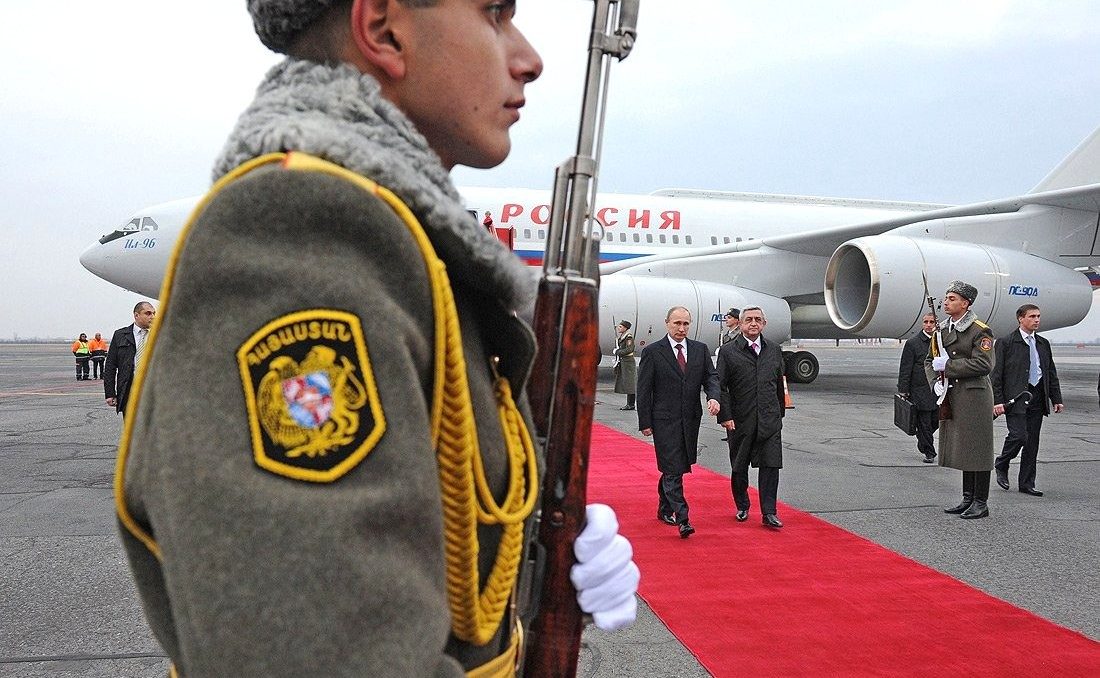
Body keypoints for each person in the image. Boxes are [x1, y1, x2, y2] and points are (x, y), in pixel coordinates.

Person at [112, 2, 637, 675]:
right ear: (384, 30)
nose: (529, 59)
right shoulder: (303, 228)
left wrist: (532, 575)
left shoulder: (400, 242)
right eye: (494, 14)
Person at [636, 306, 721, 538]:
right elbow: (644, 390)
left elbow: (711, 378)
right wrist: (645, 421)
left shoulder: (700, 350)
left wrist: (713, 397)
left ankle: (664, 508)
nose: (681, 328)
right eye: (677, 323)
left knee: (676, 466)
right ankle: (683, 518)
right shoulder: (653, 352)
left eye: (685, 324)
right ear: (667, 323)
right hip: (663, 420)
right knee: (673, 467)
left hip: (690, 419)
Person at [925, 281, 995, 519]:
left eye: (952, 299)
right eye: (946, 298)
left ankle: (980, 502)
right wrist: (935, 381)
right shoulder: (942, 330)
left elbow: (984, 364)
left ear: (966, 304)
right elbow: (929, 360)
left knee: (978, 449)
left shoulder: (980, 330)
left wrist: (949, 366)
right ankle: (968, 498)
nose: (946, 302)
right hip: (952, 394)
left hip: (974, 397)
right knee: (966, 449)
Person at [716, 306, 787, 528]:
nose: (753, 323)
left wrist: (779, 413)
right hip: (739, 421)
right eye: (748, 320)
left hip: (769, 420)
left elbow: (779, 383)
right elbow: (721, 387)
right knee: (739, 467)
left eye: (758, 319)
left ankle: (769, 512)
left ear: (764, 324)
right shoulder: (728, 351)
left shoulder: (774, 350)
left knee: (771, 465)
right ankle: (742, 505)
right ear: (740, 324)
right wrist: (725, 416)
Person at [991, 304, 1063, 496]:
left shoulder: (1043, 343)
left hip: (1037, 397)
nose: (1036, 320)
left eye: (1038, 316)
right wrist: (997, 401)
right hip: (1015, 398)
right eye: (1032, 316)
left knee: (1032, 443)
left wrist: (1056, 398)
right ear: (1020, 319)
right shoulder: (1006, 342)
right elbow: (996, 375)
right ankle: (1002, 463)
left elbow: (1050, 372)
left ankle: (1027, 483)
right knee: (1019, 436)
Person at [898, 313, 939, 463]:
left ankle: (922, 439)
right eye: (926, 322)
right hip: (919, 390)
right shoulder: (913, 343)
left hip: (938, 389)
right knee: (925, 422)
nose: (928, 325)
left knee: (936, 420)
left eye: (931, 322)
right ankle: (929, 452)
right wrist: (903, 389)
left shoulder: (941, 342)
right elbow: (905, 368)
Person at [104, 302, 155, 414]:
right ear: (136, 315)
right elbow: (110, 365)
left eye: (153, 313)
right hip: (129, 390)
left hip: (154, 391)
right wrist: (110, 393)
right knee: (130, 423)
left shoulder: (159, 335)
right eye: (148, 313)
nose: (152, 316)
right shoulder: (120, 335)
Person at [613, 320, 636, 410]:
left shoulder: (628, 337)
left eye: (620, 327)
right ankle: (629, 404)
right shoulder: (623, 336)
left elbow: (630, 349)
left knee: (630, 384)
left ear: (625, 328)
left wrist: (618, 352)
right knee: (627, 383)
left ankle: (631, 404)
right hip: (624, 361)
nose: (618, 328)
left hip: (628, 362)